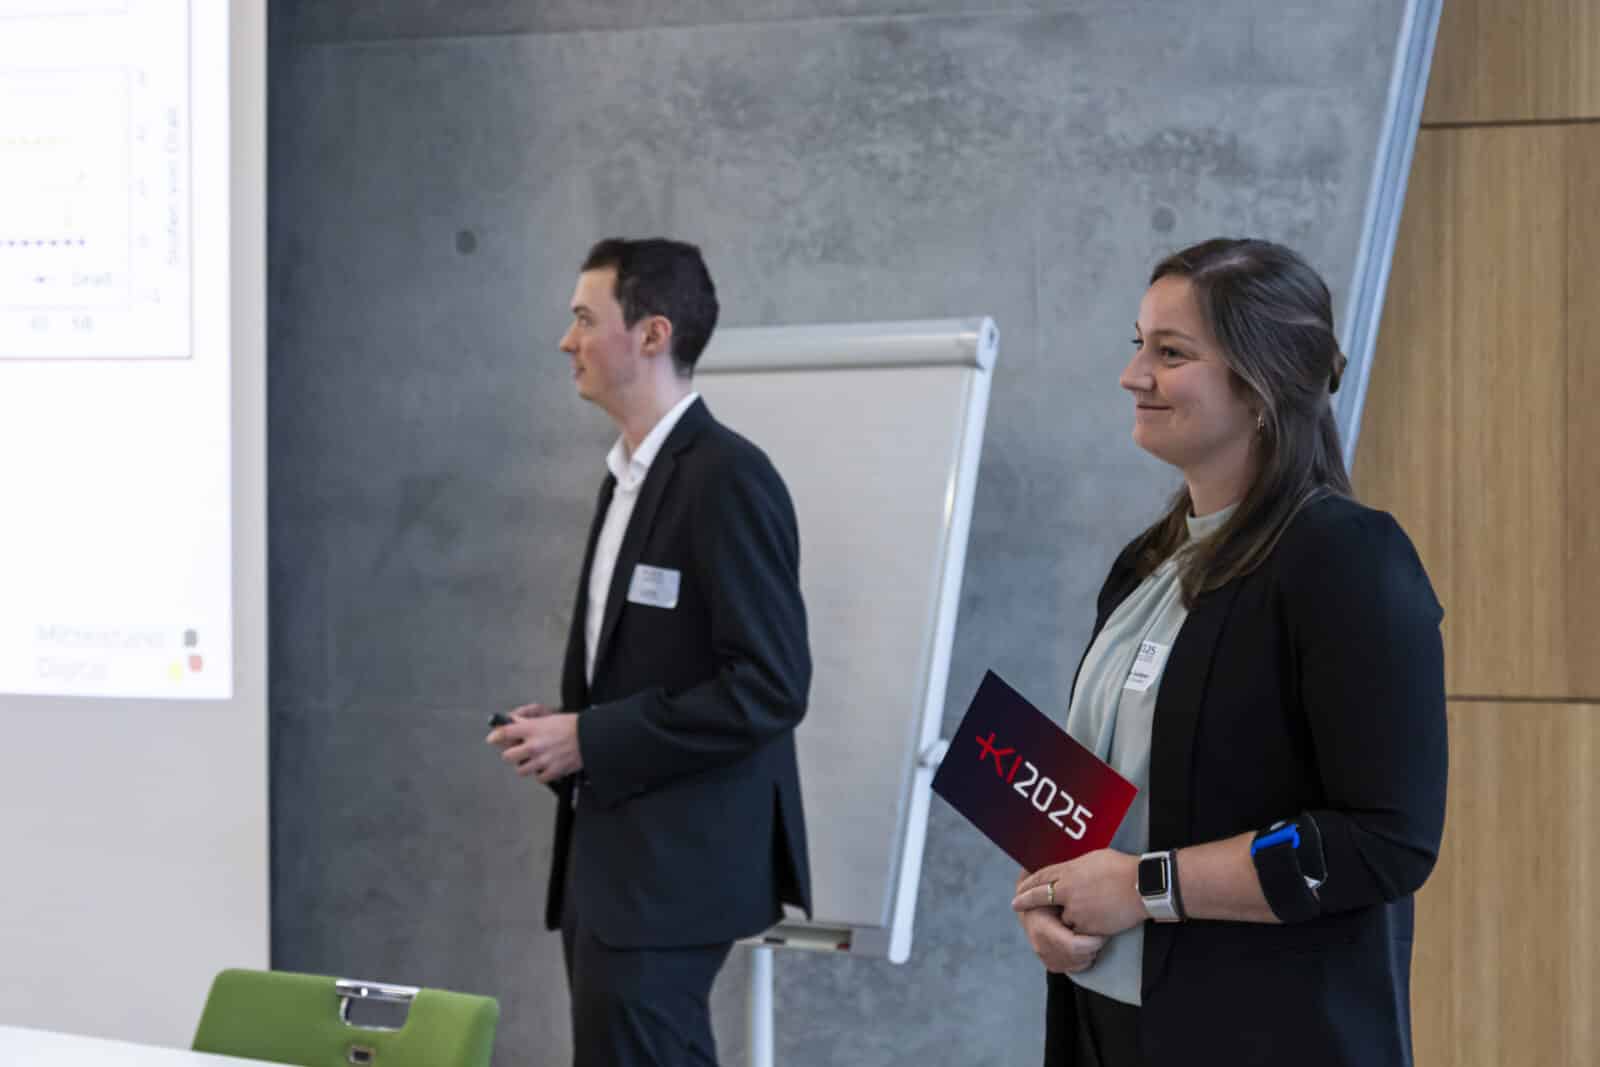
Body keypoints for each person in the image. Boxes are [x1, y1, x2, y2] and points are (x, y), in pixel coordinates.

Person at [1009, 238, 1447, 1066]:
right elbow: (1111, 797)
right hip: (1108, 1018)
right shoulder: (1145, 562)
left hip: (1268, 1033)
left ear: (1261, 385)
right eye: (1138, 344)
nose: (1133, 375)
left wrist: (1145, 886)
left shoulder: (1349, 560)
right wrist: (1049, 896)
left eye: (1171, 353)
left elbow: (1385, 840)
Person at [487, 237, 812, 1067]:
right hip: (611, 865)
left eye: (584, 319)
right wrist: (565, 729)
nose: (566, 340)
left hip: (669, 880)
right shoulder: (627, 476)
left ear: (653, 334)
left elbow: (770, 687)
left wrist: (590, 737)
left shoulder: (727, 478)